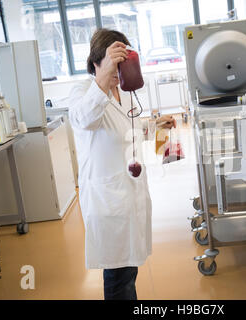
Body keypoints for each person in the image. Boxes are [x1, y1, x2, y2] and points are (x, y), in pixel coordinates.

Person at [68, 29, 176, 300]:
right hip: (109, 202)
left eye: (124, 65)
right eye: (116, 64)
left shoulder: (123, 92)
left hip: (131, 196)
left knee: (128, 274)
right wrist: (104, 76)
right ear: (97, 63)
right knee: (119, 279)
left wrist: (154, 126)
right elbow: (84, 120)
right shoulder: (83, 91)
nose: (120, 71)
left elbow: (128, 130)